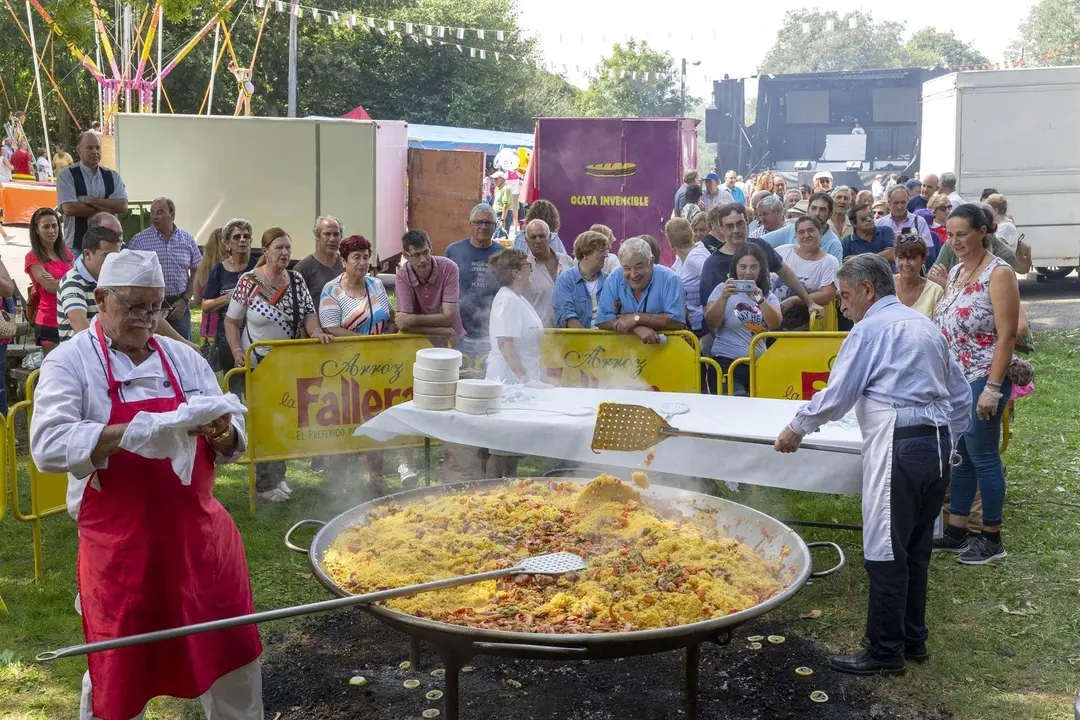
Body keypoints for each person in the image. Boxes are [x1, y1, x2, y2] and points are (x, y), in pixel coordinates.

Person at [30, 249, 264, 720]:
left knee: (232, 659)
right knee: (118, 673)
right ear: (100, 298)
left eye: (156, 307)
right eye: (134, 306)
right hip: (122, 553)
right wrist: (135, 432)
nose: (147, 319)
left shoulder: (183, 359)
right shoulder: (70, 362)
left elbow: (234, 441)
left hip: (201, 545)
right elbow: (47, 445)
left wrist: (221, 432)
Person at [774, 253, 971, 677]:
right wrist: (948, 441)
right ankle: (912, 637)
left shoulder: (869, 330)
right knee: (917, 548)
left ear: (867, 289)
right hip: (934, 443)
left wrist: (796, 426)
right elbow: (960, 397)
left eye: (844, 296)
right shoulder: (925, 325)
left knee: (885, 548)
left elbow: (839, 394)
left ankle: (884, 650)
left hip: (899, 441)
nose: (841, 307)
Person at [932, 204, 1019, 564]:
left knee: (983, 457)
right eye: (950, 235)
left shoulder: (999, 273)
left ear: (983, 231)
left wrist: (992, 388)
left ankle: (992, 538)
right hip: (955, 380)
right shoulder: (955, 272)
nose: (956, 241)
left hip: (984, 375)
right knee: (961, 458)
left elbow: (1008, 334)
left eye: (962, 234)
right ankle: (956, 530)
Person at [225, 227, 330, 502]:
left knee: (284, 419)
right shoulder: (248, 282)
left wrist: (316, 331)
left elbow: (308, 313)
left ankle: (278, 476)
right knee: (264, 422)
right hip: (258, 365)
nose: (285, 253)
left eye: (288, 248)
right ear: (266, 251)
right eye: (279, 248)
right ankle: (264, 484)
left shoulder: (296, 280)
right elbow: (231, 321)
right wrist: (237, 350)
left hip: (288, 364)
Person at [320, 234, 412, 492]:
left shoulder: (376, 285)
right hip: (344, 368)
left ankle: (376, 475)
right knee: (342, 422)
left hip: (377, 367)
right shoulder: (332, 289)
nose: (361, 262)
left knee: (375, 419)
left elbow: (390, 317)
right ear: (344, 260)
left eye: (365, 257)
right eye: (356, 257)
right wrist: (366, 341)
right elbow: (331, 328)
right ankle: (339, 481)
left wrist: (388, 336)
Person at [699, 203, 823, 321]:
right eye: (730, 226)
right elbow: (707, 311)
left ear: (748, 224)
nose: (736, 230)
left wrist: (810, 303)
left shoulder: (760, 246)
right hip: (730, 331)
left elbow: (785, 273)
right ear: (722, 229)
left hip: (764, 326)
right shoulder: (713, 263)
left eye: (740, 224)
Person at [484, 248, 545, 478]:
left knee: (513, 447)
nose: (531, 269)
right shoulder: (506, 300)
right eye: (527, 266)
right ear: (516, 272)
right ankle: (489, 491)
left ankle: (510, 488)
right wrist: (525, 378)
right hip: (508, 379)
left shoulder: (518, 298)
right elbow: (505, 344)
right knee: (501, 446)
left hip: (521, 377)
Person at [704, 244, 780, 396]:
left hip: (758, 366)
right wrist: (723, 298)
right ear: (735, 268)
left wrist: (760, 300)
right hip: (727, 364)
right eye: (743, 267)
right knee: (737, 404)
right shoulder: (721, 289)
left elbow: (775, 324)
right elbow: (712, 322)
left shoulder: (768, 296)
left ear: (761, 269)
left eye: (753, 267)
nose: (748, 272)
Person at [129, 197, 203, 341]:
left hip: (179, 304)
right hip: (149, 307)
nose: (154, 216)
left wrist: (185, 299)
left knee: (182, 348)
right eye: (152, 212)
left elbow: (197, 271)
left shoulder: (187, 240)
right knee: (150, 346)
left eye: (160, 212)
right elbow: (130, 274)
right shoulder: (139, 241)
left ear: (172, 215)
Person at [201, 220, 257, 391]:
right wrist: (230, 297)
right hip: (226, 340)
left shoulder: (258, 267)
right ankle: (236, 418)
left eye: (246, 236)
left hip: (255, 339)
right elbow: (205, 305)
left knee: (256, 388)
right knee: (234, 389)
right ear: (227, 243)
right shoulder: (219, 270)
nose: (242, 240)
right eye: (237, 237)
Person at [445, 204, 504, 366]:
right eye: (478, 222)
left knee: (489, 380)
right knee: (460, 378)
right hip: (460, 332)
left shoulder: (503, 254)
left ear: (495, 226)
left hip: (491, 333)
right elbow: (443, 289)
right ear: (470, 224)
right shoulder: (454, 251)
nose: (483, 227)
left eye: (488, 223)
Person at [596, 237, 686, 344]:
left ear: (651, 262)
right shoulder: (614, 277)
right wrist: (635, 328)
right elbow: (603, 320)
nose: (633, 275)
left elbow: (676, 321)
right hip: (623, 354)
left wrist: (636, 318)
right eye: (627, 268)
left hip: (666, 350)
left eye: (639, 267)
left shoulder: (670, 279)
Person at [57, 131, 128, 252]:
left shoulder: (112, 176)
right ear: (79, 150)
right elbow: (70, 209)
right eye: (90, 148)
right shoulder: (67, 175)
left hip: (110, 247)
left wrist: (88, 200)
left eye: (98, 148)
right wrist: (108, 208)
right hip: (77, 246)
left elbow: (122, 206)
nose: (95, 152)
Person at [395, 229, 464, 343]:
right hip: (421, 341)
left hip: (452, 340)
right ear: (406, 256)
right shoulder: (402, 275)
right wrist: (443, 331)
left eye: (426, 252)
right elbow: (404, 325)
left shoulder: (449, 268)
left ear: (431, 248)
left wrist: (412, 319)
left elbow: (450, 318)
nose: (423, 260)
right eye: (416, 255)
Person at [56, 226, 123, 341]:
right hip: (79, 355)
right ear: (87, 254)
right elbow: (79, 324)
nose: (112, 262)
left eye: (116, 257)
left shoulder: (112, 279)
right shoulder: (73, 281)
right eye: (107, 256)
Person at [772, 216, 839, 331]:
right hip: (772, 319)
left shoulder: (829, 261)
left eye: (811, 230)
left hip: (802, 326)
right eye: (801, 232)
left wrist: (793, 300)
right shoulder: (783, 251)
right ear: (796, 236)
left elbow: (827, 295)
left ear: (821, 232)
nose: (806, 235)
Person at [25, 207, 74, 354]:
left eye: (54, 225)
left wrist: (58, 280)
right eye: (46, 227)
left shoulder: (66, 252)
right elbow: (50, 287)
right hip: (48, 320)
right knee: (53, 371)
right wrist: (70, 279)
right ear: (37, 230)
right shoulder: (33, 257)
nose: (52, 230)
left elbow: (78, 279)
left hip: (70, 317)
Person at [762, 192, 844, 264]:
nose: (817, 213)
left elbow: (834, 277)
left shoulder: (834, 244)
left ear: (830, 214)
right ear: (808, 210)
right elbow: (760, 243)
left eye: (822, 210)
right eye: (814, 208)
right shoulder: (792, 230)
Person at [521, 219, 574, 327]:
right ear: (526, 240)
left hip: (569, 333)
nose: (538, 241)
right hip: (540, 335)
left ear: (549, 238)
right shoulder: (522, 268)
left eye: (542, 236)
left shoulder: (568, 261)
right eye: (533, 237)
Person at [553, 230, 608, 329]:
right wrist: (589, 342)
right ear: (585, 253)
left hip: (607, 341)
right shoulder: (565, 281)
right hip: (577, 341)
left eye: (606, 251)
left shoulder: (608, 280)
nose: (606, 255)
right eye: (601, 251)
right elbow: (569, 318)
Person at [294, 215, 344, 320]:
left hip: (345, 332)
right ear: (317, 236)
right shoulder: (303, 269)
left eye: (336, 234)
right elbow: (298, 310)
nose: (332, 239)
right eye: (327, 234)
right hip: (318, 334)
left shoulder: (347, 265)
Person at [667, 218, 709, 337]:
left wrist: (701, 301)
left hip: (703, 327)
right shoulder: (681, 259)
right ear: (692, 234)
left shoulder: (694, 258)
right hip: (692, 326)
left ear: (670, 243)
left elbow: (714, 278)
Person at [878, 185, 935, 268]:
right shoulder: (880, 224)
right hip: (887, 273)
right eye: (896, 203)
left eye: (903, 202)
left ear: (908, 201)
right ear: (889, 203)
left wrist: (908, 237)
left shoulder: (919, 222)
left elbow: (928, 250)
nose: (900, 206)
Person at [894, 234, 944, 318]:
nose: (906, 264)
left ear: (923, 260)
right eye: (901, 258)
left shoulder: (935, 291)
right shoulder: (886, 285)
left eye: (912, 258)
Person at [491, 172, 513, 238]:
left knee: (500, 238)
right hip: (497, 215)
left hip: (503, 215)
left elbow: (506, 205)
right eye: (494, 179)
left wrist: (503, 220)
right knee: (496, 237)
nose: (494, 181)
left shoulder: (506, 188)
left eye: (496, 179)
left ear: (502, 179)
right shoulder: (499, 188)